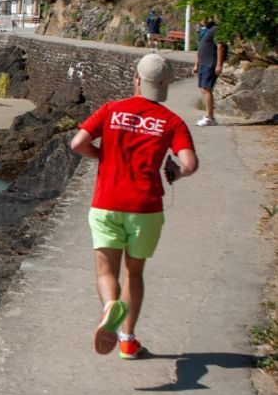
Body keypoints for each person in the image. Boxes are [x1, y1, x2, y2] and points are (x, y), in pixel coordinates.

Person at [69, 53, 197, 358]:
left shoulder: (112, 110)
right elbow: (190, 164)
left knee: (105, 271)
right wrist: (175, 172)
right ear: (164, 86)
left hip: (107, 203)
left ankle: (110, 305)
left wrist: (102, 156)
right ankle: (127, 340)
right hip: (146, 207)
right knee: (134, 272)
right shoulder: (172, 121)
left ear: (137, 79)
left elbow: (77, 144)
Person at [192, 18, 225, 126]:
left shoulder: (216, 30)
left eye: (205, 18)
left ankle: (210, 117)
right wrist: (196, 64)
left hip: (210, 63)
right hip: (202, 64)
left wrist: (219, 65)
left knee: (207, 89)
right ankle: (208, 115)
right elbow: (199, 49)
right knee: (203, 89)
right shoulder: (203, 31)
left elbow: (220, 47)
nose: (202, 20)